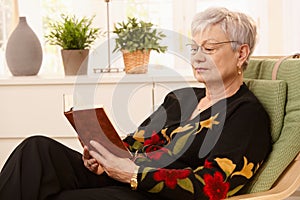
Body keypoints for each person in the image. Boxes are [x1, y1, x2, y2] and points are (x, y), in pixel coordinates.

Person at [0, 7, 271, 200]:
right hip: (124, 177)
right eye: (193, 48)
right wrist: (103, 157)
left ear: (241, 53)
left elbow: (213, 187)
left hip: (160, 194)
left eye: (209, 49)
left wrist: (133, 175)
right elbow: (133, 143)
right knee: (35, 150)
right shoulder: (180, 98)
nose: (198, 57)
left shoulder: (246, 114)